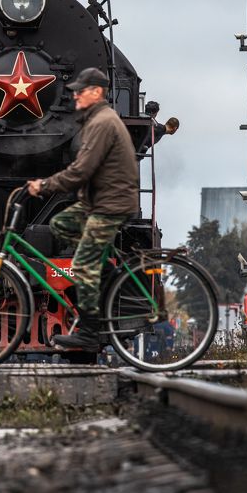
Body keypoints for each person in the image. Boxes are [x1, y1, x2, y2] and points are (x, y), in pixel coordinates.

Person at [27, 68, 178, 350]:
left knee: (82, 265)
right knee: (61, 224)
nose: (74, 96)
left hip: (110, 204)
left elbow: (81, 171)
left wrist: (44, 185)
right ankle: (107, 273)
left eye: (80, 91)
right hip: (97, 200)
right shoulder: (96, 120)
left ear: (96, 93)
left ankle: (88, 333)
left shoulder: (103, 123)